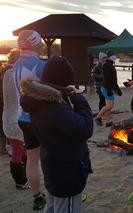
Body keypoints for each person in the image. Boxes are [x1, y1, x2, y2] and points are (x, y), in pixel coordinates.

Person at [20, 56, 93, 213]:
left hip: (54, 166)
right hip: (67, 173)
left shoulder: (38, 101)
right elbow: (85, 129)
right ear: (63, 81)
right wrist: (78, 98)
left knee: (53, 206)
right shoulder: (53, 108)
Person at [12, 30, 46, 210]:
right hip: (40, 118)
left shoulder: (14, 65)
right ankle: (56, 191)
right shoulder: (40, 66)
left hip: (22, 117)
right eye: (40, 43)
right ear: (34, 44)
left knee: (32, 159)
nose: (42, 46)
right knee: (49, 156)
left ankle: (37, 196)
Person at [2, 48, 29, 190]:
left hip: (11, 116)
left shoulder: (8, 73)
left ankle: (25, 177)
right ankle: (20, 181)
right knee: (18, 152)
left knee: (22, 150)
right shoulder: (13, 74)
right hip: (15, 118)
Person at [95, 50, 122, 127]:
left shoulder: (110, 65)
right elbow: (106, 79)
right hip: (106, 88)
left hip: (109, 88)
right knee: (109, 106)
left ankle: (107, 122)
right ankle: (98, 117)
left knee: (110, 106)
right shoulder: (106, 65)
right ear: (110, 57)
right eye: (113, 55)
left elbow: (114, 79)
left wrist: (117, 89)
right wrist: (110, 89)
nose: (115, 57)